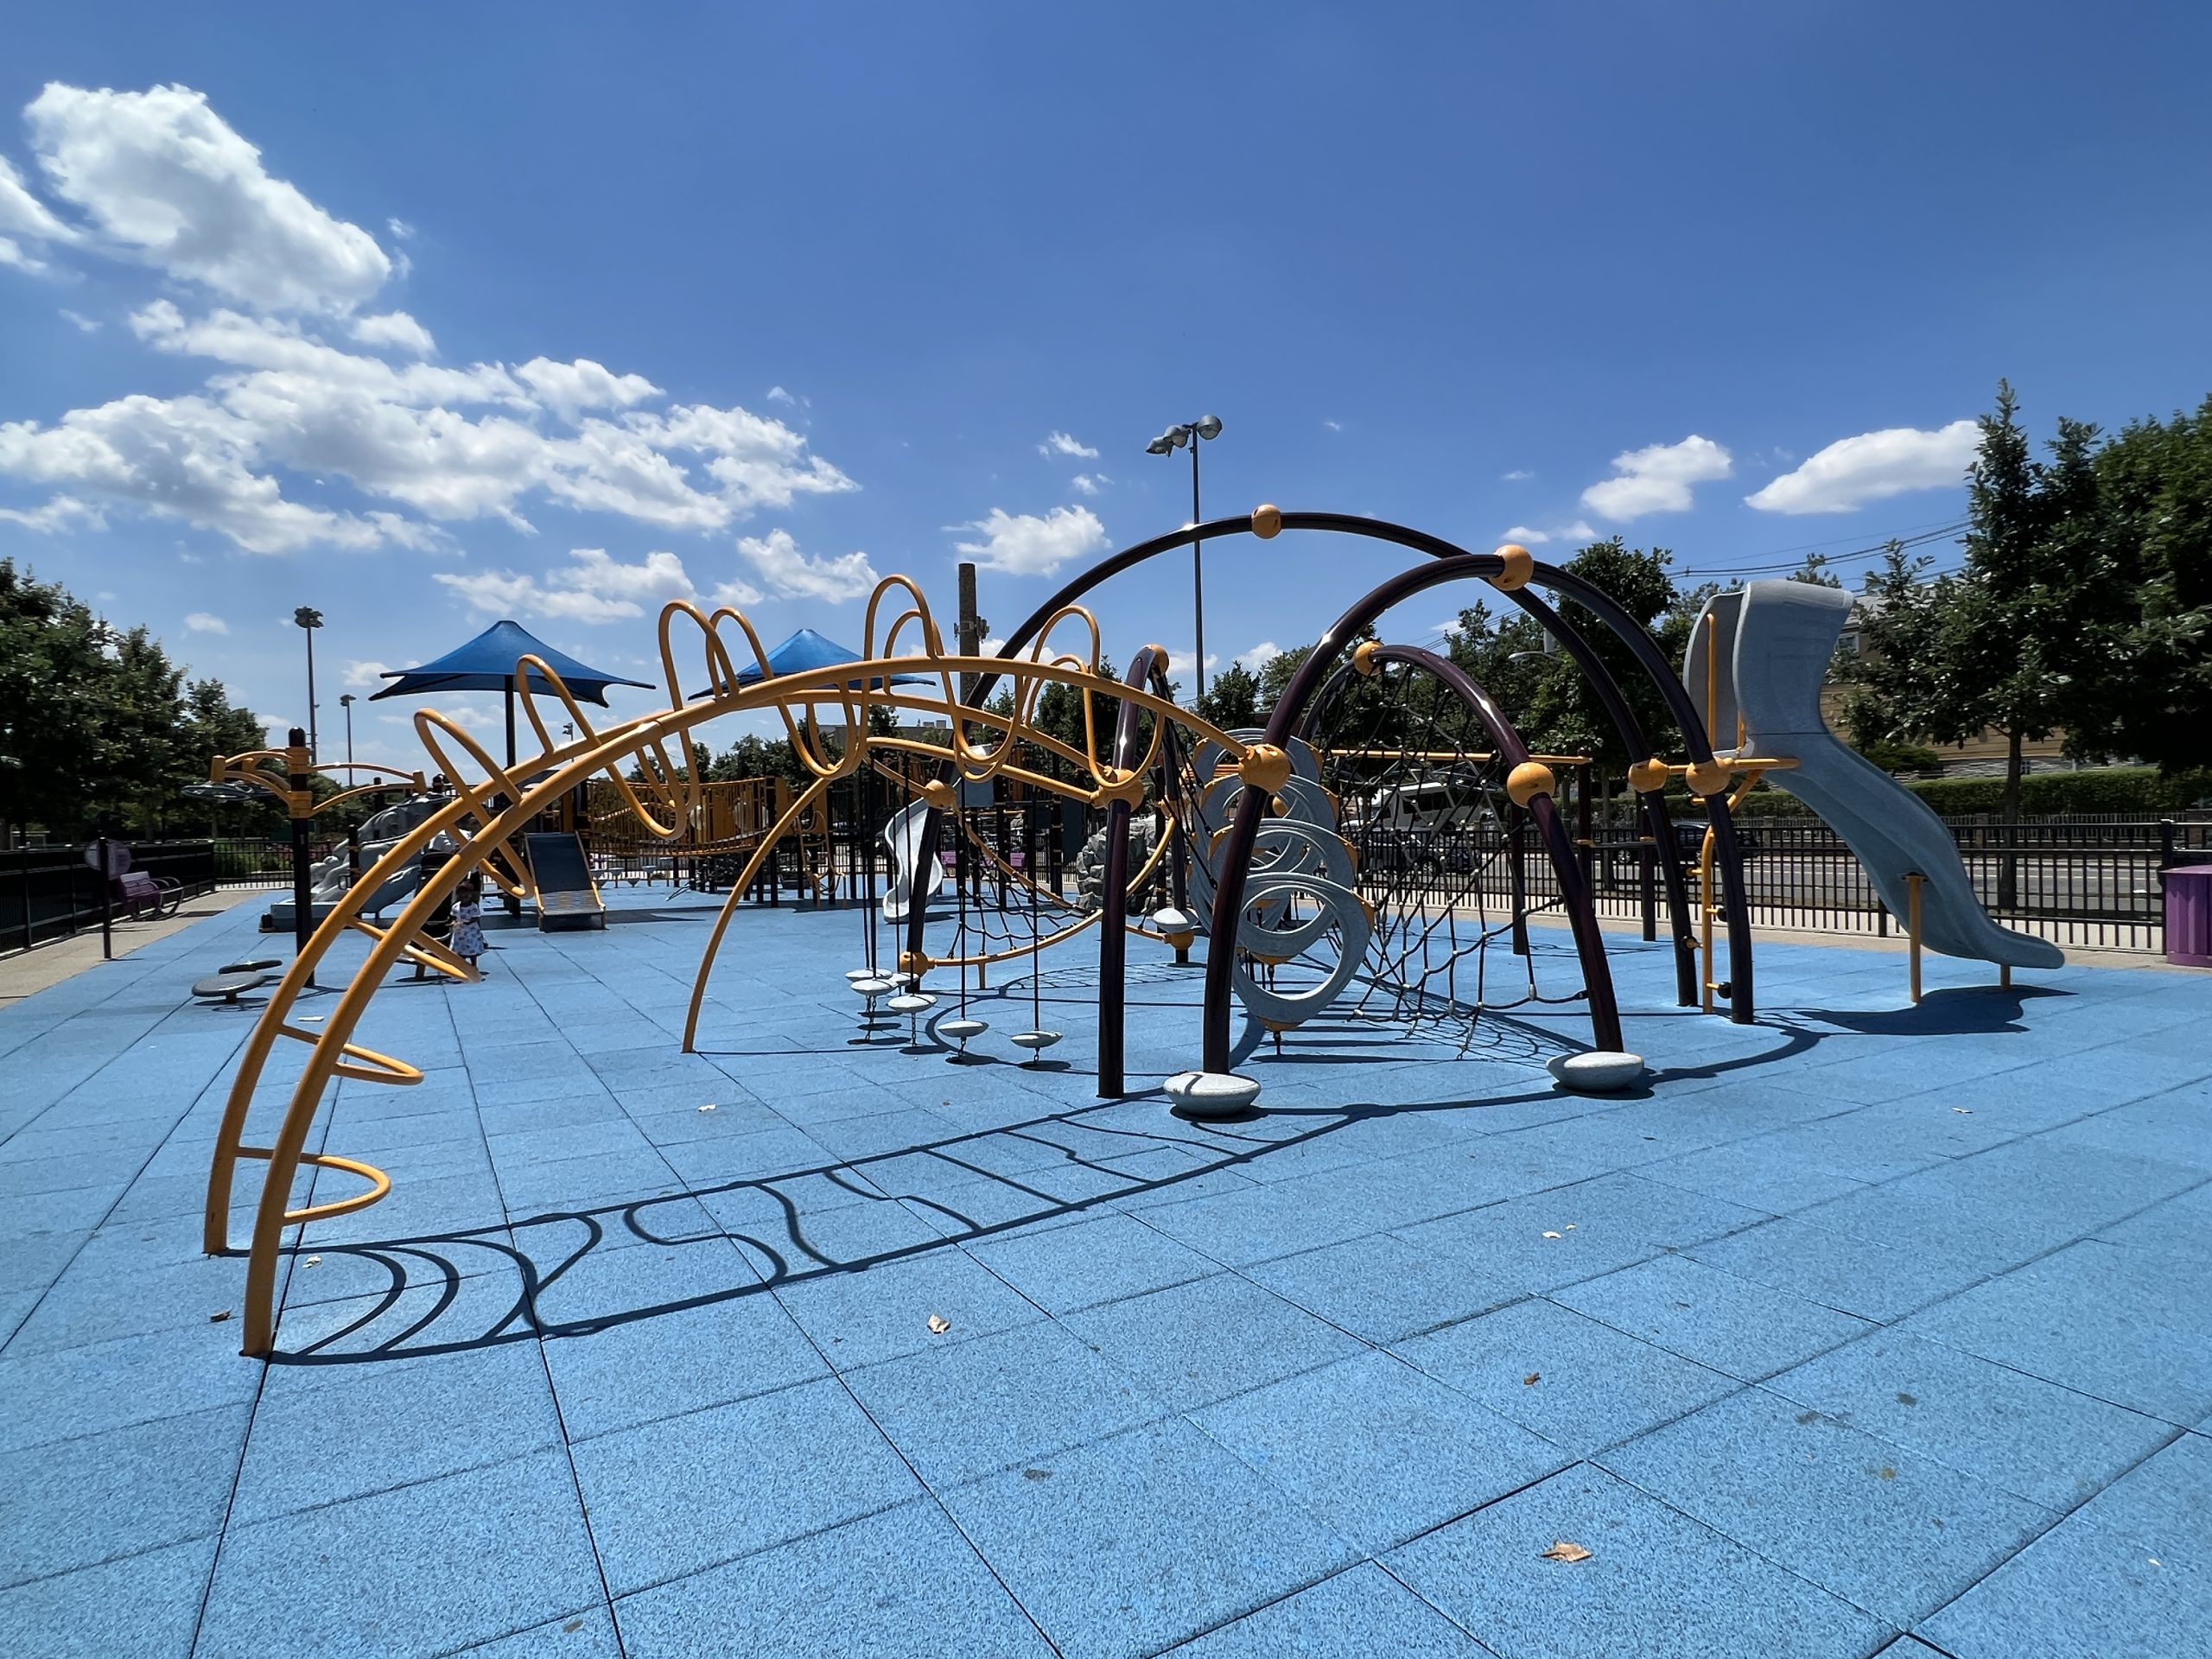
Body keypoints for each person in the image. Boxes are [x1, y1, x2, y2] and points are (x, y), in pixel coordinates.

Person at [450, 874, 487, 978]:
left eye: (466, 894)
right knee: (460, 951)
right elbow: (453, 916)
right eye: (461, 894)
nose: (464, 896)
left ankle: (474, 965)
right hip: (460, 933)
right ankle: (462, 966)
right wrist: (454, 922)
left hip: (471, 933)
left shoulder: (473, 907)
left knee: (472, 950)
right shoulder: (456, 907)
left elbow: (476, 918)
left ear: (471, 894)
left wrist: (468, 922)